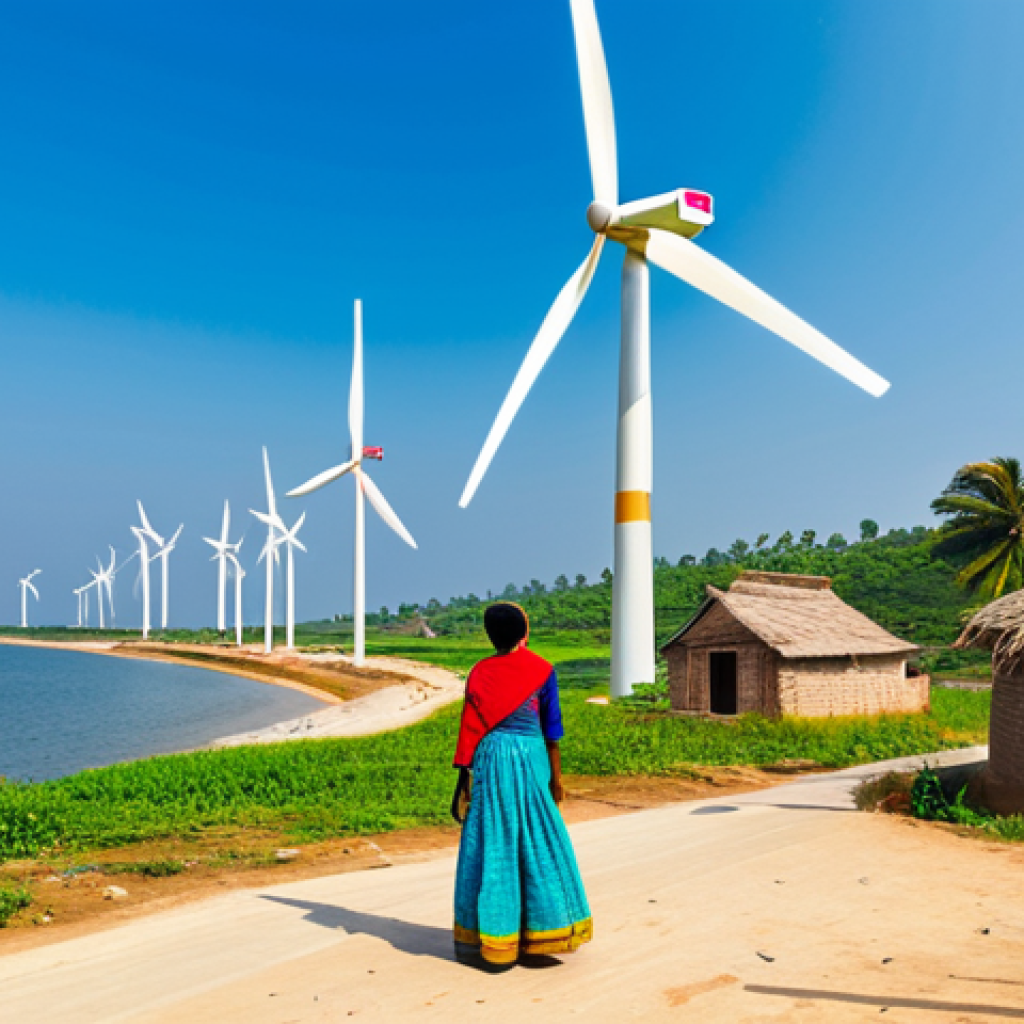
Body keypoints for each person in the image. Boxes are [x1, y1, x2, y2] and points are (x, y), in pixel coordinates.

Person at [451, 602, 592, 966]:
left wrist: (464, 779)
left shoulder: (479, 672)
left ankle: (494, 940)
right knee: (539, 842)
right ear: (523, 634)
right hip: (530, 760)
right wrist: (557, 779)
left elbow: (470, 728)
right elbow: (552, 732)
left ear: (490, 635)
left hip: (488, 762)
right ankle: (542, 935)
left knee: (491, 846)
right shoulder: (542, 670)